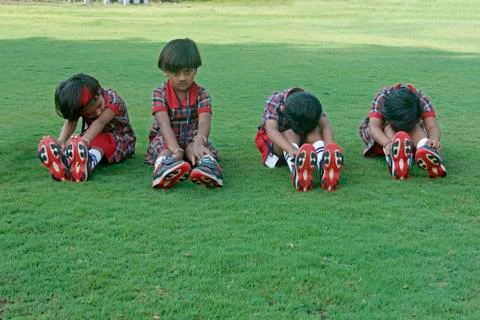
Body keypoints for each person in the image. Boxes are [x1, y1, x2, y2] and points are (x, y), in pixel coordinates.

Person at [145, 38, 223, 189]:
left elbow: (204, 122)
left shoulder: (202, 94)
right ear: (166, 71)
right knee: (164, 149)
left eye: (187, 72)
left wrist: (199, 143)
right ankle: (163, 168)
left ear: (196, 70)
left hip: (192, 138)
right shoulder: (159, 93)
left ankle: (209, 168)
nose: (182, 78)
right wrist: (176, 150)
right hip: (166, 138)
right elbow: (163, 123)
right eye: (176, 73)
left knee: (197, 149)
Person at [38, 73, 136, 182]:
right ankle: (65, 163)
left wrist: (84, 141)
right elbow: (71, 122)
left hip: (121, 140)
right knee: (77, 143)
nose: (98, 112)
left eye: (99, 105)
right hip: (92, 136)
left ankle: (89, 163)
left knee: (101, 140)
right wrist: (61, 141)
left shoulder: (114, 101)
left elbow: (100, 122)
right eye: (90, 114)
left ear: (98, 92)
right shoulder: (81, 105)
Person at [255, 88, 344, 192]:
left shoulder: (311, 104)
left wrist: (329, 149)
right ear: (283, 109)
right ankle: (295, 167)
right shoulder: (275, 101)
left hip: (305, 145)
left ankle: (323, 164)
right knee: (290, 133)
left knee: (314, 131)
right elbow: (271, 131)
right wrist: (290, 149)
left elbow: (325, 125)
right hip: (280, 144)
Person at [359, 83, 447, 179]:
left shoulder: (421, 100)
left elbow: (432, 126)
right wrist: (387, 143)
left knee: (416, 127)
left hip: (413, 135)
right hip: (383, 138)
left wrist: (433, 139)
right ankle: (395, 154)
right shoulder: (382, 98)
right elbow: (374, 126)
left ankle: (426, 149)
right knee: (390, 128)